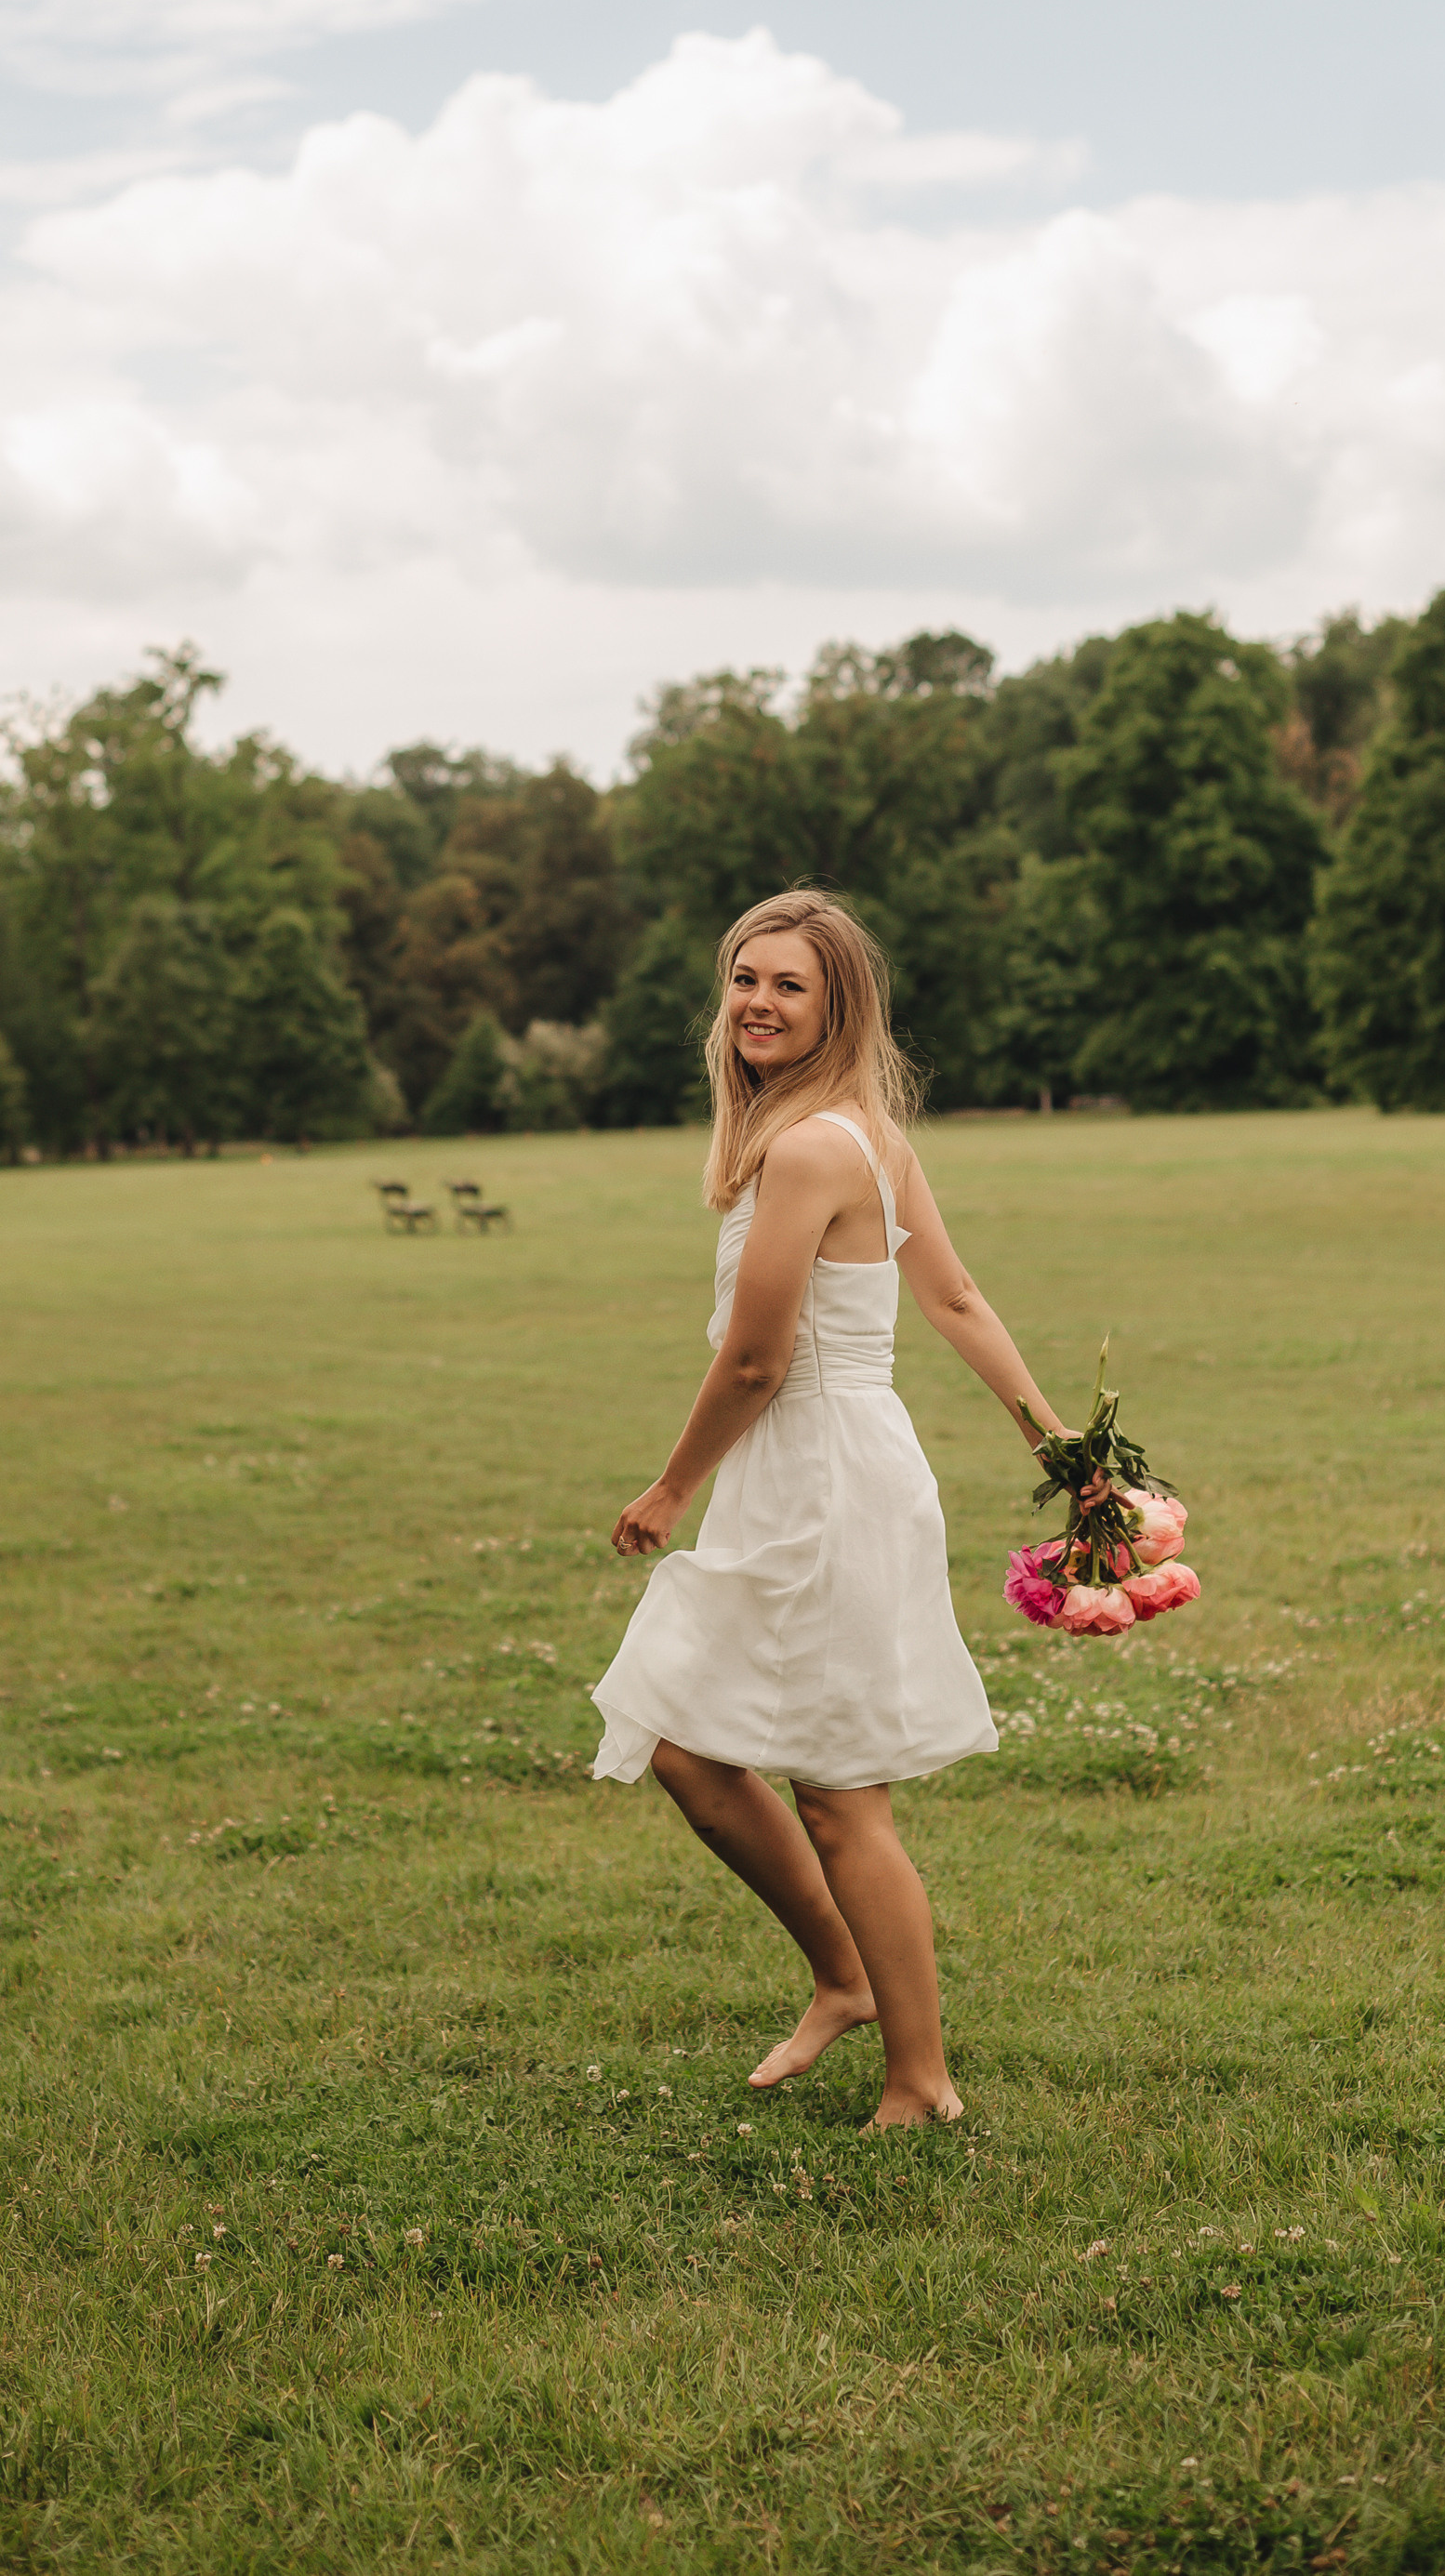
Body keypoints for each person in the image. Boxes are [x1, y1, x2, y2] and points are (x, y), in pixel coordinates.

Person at [590, 887, 1079, 2130]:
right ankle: (845, 1977)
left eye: (789, 985)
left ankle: (921, 2081)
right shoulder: (852, 1133)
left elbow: (763, 1357)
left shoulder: (821, 1145)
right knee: (689, 1745)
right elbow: (955, 1301)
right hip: (808, 1468)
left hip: (820, 1476)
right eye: (744, 979)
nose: (757, 1001)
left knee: (843, 1798)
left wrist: (669, 1486)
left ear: (838, 1006)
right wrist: (1058, 1443)